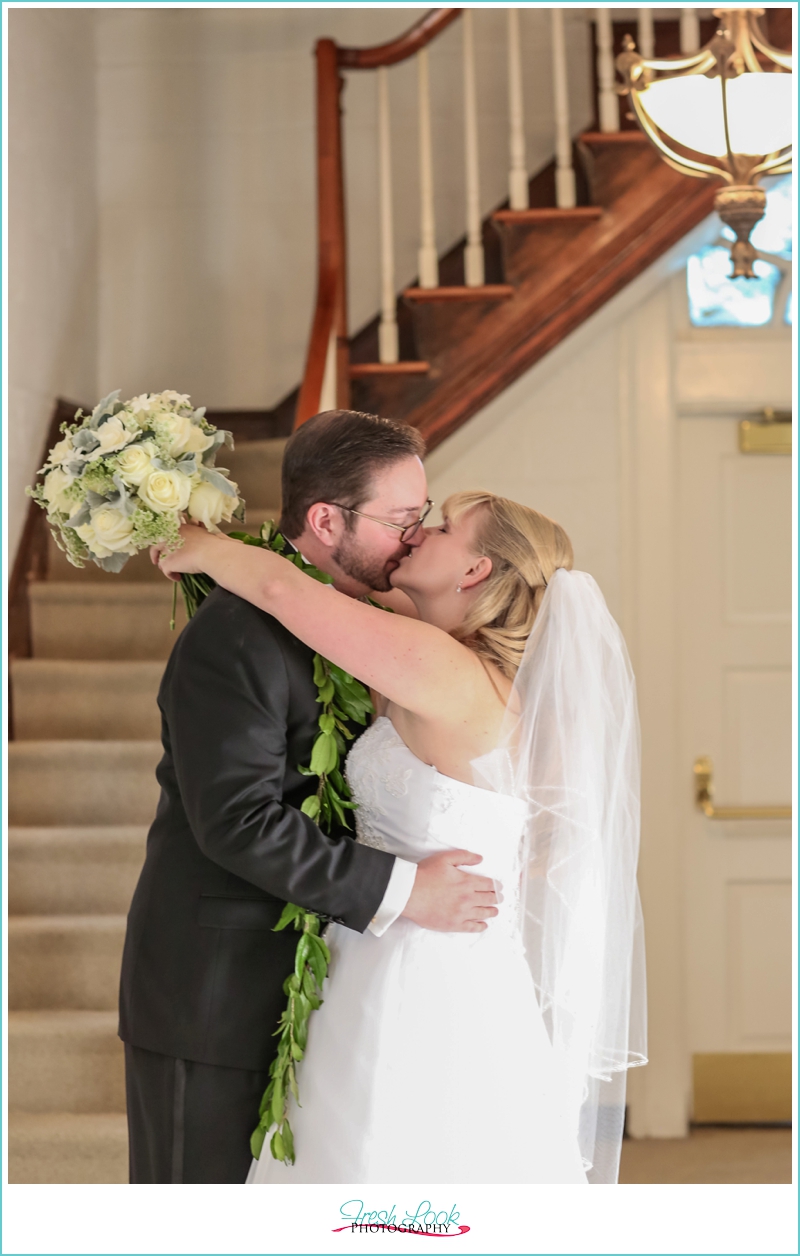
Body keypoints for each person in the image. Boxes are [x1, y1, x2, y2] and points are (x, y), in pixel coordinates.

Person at [155, 483, 648, 1184]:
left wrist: (198, 546)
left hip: (417, 966)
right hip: (417, 946)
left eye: (444, 527)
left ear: (474, 571)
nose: (419, 531)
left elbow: (286, 593)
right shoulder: (460, 660)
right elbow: (313, 576)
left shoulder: (439, 667)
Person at [119, 410, 501, 1184]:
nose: (416, 535)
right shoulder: (236, 636)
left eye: (424, 518)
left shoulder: (379, 626)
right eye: (402, 518)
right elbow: (239, 822)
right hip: (215, 993)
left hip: (327, 990)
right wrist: (404, 892)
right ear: (327, 521)